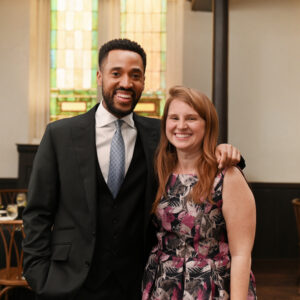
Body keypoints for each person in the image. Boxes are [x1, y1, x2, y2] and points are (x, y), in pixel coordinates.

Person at [22, 39, 243, 300]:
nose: (126, 83)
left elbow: (196, 154)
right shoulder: (60, 135)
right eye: (116, 73)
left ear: (143, 82)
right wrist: (38, 273)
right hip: (68, 282)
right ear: (99, 76)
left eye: (135, 75)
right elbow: (37, 213)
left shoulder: (160, 135)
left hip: (139, 283)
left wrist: (226, 153)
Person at [142, 86, 257, 300]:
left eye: (191, 118)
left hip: (209, 286)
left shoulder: (226, 176)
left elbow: (241, 254)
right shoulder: (161, 171)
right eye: (174, 118)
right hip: (162, 283)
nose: (181, 126)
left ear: (207, 124)